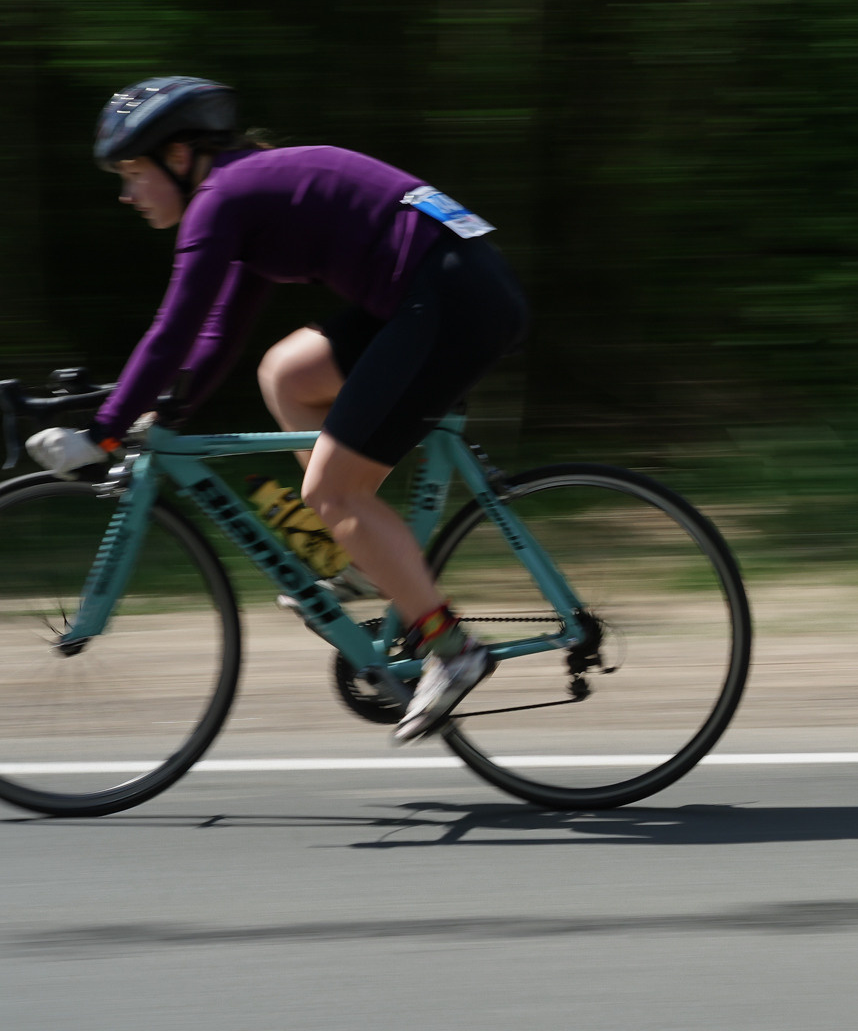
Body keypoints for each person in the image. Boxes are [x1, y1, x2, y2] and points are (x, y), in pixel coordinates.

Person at [25, 77, 530, 742]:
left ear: (178, 157)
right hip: (444, 286)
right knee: (288, 374)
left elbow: (173, 329)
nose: (126, 193)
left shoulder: (220, 199)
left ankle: (453, 649)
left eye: (131, 171)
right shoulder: (244, 193)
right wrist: (171, 414)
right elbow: (219, 332)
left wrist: (105, 430)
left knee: (330, 489)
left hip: (451, 299)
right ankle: (351, 554)